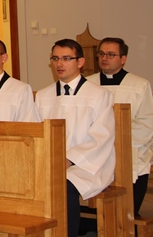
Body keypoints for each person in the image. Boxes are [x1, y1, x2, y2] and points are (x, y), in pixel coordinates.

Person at [35, 39, 115, 237]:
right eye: (55, 58)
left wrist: (69, 159)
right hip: (51, 163)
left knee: (63, 184)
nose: (59, 64)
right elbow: (36, 133)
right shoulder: (43, 96)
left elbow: (101, 136)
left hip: (88, 165)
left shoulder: (99, 95)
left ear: (80, 62)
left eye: (66, 58)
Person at [87, 37, 153, 218]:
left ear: (123, 59)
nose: (104, 58)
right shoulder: (87, 84)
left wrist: (118, 141)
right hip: (96, 151)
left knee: (126, 209)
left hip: (129, 151)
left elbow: (147, 121)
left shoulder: (139, 85)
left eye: (111, 54)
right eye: (101, 54)